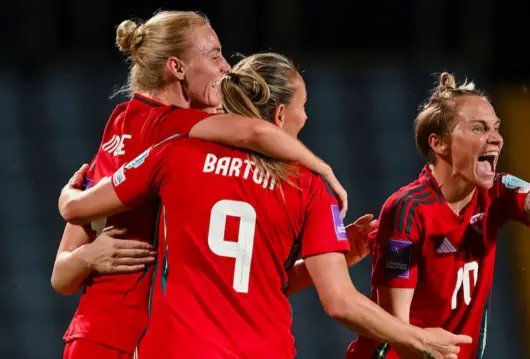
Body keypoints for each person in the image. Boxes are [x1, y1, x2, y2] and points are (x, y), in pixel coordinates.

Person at [58, 53, 472, 359]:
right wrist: (418, 338)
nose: (306, 118)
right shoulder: (308, 186)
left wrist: (69, 201)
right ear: (279, 115)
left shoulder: (173, 154)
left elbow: (245, 279)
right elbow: (340, 302)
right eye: (303, 107)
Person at [50, 11, 348, 359]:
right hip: (130, 337)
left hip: (102, 332)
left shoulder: (122, 123)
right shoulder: (173, 131)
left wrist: (79, 236)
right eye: (214, 54)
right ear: (176, 68)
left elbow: (61, 273)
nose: (226, 67)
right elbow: (256, 131)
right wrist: (323, 171)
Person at [345, 72, 530, 359]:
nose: (496, 139)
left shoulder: (496, 192)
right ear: (439, 144)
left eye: (496, 128)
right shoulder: (408, 209)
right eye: (479, 128)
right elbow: (394, 328)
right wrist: (425, 342)